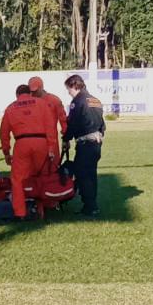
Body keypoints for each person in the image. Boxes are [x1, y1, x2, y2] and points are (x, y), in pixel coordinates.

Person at [0, 83, 59, 219]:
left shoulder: (11, 108)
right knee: (44, 176)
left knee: (17, 180)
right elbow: (51, 127)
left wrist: (7, 153)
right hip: (42, 142)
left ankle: (20, 212)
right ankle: (46, 206)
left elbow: (4, 133)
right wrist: (51, 147)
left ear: (17, 95)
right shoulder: (42, 103)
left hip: (21, 144)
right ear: (30, 93)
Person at [63, 73, 106, 216]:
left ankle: (90, 206)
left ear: (74, 86)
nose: (69, 93)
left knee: (82, 175)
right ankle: (92, 205)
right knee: (91, 174)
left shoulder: (78, 101)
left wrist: (66, 138)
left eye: (69, 89)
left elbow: (73, 123)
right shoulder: (96, 100)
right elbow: (102, 124)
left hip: (85, 143)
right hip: (96, 142)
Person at [28, 75, 67, 143]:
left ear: (41, 87)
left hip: (51, 139)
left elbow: (63, 120)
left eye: (35, 91)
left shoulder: (54, 100)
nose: (33, 93)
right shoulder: (29, 101)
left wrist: (66, 138)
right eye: (31, 91)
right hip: (34, 140)